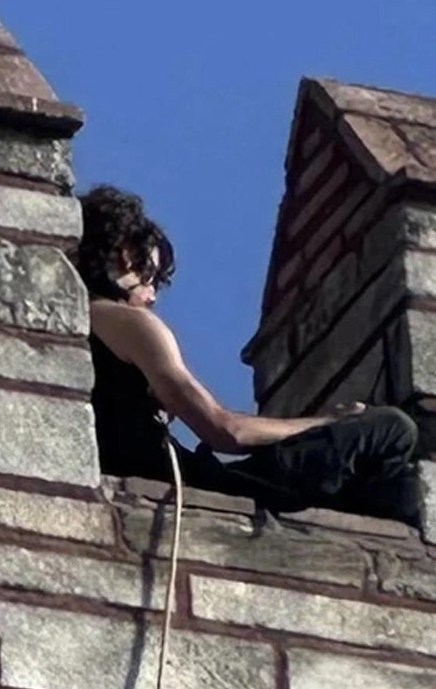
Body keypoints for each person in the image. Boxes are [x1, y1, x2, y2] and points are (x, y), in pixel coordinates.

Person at [76, 184, 420, 524]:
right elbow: (225, 431)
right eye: (146, 275)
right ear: (119, 255)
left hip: (141, 476)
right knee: (391, 429)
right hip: (201, 486)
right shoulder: (130, 322)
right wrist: (331, 422)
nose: (152, 296)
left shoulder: (81, 330)